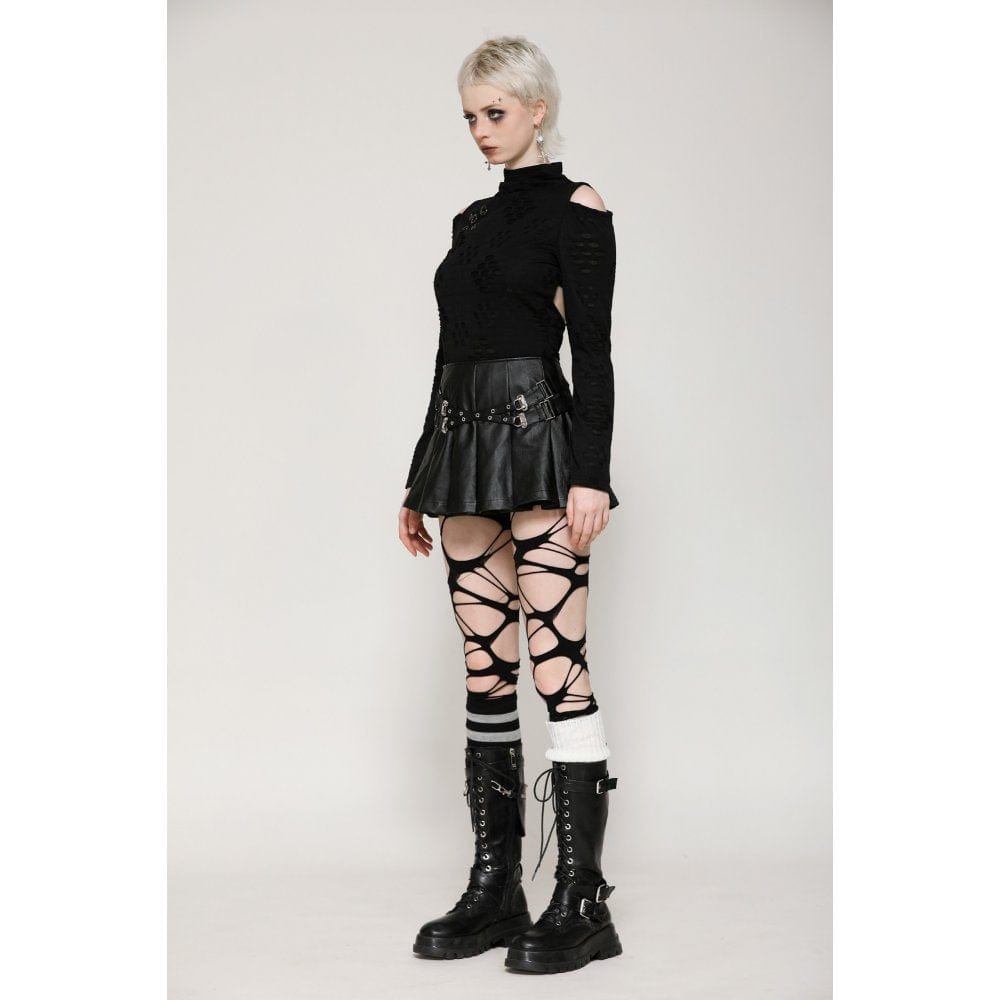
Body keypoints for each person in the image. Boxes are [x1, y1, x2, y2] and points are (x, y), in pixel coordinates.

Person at [398, 35, 622, 975]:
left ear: (538, 109)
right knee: (484, 670)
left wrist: (590, 474)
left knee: (557, 664)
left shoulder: (580, 210)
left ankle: (582, 900)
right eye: (470, 117)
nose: (482, 131)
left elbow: (593, 353)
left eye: (495, 113)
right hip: (462, 450)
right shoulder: (470, 222)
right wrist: (419, 475)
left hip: (539, 447)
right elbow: (450, 349)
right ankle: (497, 889)